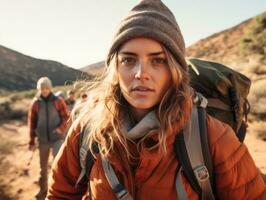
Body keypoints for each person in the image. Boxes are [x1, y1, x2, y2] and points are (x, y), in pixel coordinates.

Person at [47, 1, 266, 199]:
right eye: (128, 60)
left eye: (158, 61)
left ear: (175, 71)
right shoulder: (87, 131)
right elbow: (60, 194)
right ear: (115, 67)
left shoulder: (212, 137)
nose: (141, 73)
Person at [28, 77, 69, 199]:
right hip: (42, 140)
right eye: (42, 88)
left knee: (58, 163)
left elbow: (66, 118)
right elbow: (32, 123)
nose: (44, 90)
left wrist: (60, 129)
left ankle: (60, 190)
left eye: (46, 88)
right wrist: (31, 140)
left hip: (57, 138)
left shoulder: (58, 101)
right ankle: (43, 190)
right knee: (43, 168)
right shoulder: (35, 103)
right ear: (39, 89)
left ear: (50, 88)